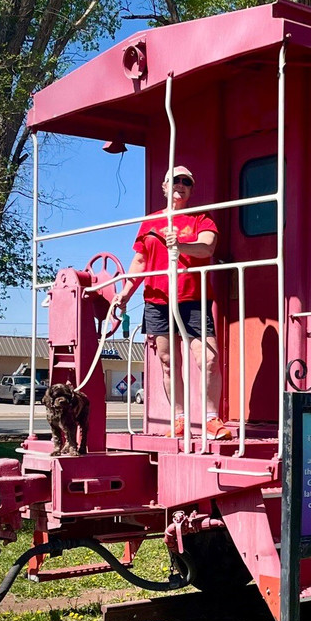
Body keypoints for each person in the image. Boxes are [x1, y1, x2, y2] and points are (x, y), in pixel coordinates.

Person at [113, 165, 232, 440]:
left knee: (209, 360)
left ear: (190, 189)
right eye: (175, 181)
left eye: (186, 182)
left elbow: (208, 247)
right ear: (164, 187)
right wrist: (125, 293)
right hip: (158, 299)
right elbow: (141, 261)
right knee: (168, 362)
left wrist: (179, 245)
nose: (180, 185)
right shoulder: (151, 222)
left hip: (193, 298)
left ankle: (211, 419)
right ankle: (179, 419)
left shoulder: (201, 218)